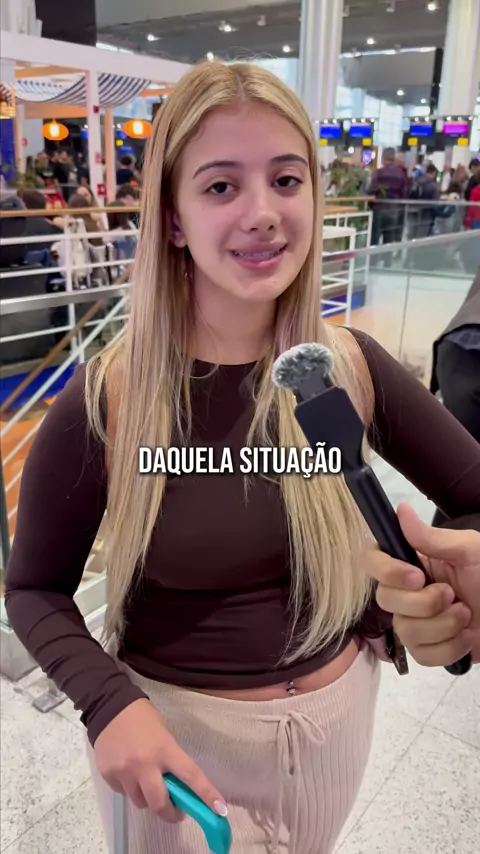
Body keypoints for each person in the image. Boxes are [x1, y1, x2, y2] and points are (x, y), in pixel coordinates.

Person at [4, 62, 480, 854]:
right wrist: (107, 704)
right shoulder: (110, 397)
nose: (262, 213)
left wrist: (458, 573)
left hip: (335, 732)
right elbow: (33, 589)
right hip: (176, 757)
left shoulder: (351, 368)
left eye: (286, 179)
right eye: (221, 186)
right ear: (174, 219)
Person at [367, 147, 409, 263]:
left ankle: (373, 263)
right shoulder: (400, 174)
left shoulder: (379, 173)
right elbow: (405, 192)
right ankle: (387, 263)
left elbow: (371, 191)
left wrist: (371, 205)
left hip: (379, 208)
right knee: (389, 238)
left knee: (375, 237)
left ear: (384, 158)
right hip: (394, 210)